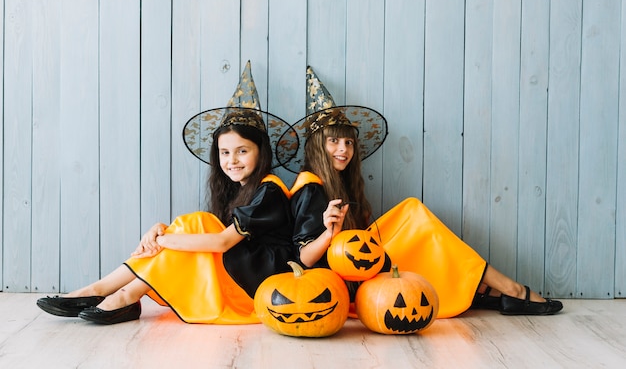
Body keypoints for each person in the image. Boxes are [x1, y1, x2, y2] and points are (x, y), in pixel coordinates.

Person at [279, 66, 563, 318]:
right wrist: (329, 234)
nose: (343, 150)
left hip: (357, 267)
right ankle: (506, 289)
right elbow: (302, 259)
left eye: (349, 143)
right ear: (317, 145)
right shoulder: (310, 187)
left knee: (416, 220)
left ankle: (487, 290)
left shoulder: (339, 183)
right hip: (339, 283)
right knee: (414, 217)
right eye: (333, 142)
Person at [37, 61, 299, 325]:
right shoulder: (237, 190)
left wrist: (163, 241)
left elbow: (221, 243)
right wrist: (161, 229)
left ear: (260, 151)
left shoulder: (270, 190)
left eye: (242, 150)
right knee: (195, 225)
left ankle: (111, 293)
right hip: (240, 271)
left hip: (263, 284)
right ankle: (112, 293)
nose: (232, 160)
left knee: (198, 222)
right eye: (225, 152)